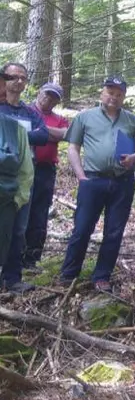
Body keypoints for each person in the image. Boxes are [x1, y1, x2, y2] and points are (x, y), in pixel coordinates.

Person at [59, 76, 135, 292]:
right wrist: (81, 176)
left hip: (123, 182)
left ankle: (102, 276)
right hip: (93, 180)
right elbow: (73, 147)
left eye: (119, 94)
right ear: (102, 93)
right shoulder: (85, 117)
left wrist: (134, 158)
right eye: (110, 93)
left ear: (123, 97)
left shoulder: (132, 121)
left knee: (114, 231)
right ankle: (69, 273)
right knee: (82, 228)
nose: (113, 97)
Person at [0, 62, 49, 293]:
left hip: (24, 176)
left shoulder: (30, 112)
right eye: (13, 77)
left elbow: (43, 135)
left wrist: (16, 134)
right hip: (2, 175)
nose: (18, 81)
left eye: (23, 78)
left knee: (19, 228)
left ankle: (12, 277)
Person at [23, 83, 69, 270]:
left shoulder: (59, 119)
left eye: (54, 97)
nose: (48, 99)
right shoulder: (24, 110)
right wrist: (46, 133)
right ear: (39, 92)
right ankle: (11, 255)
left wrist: (38, 129)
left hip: (45, 170)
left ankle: (31, 258)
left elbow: (64, 134)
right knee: (18, 210)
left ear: (58, 101)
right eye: (46, 94)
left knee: (40, 212)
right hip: (22, 168)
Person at [0, 71, 34, 287]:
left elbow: (25, 169)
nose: (4, 90)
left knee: (10, 240)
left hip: (6, 201)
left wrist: (18, 199)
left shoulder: (15, 129)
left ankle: (11, 280)